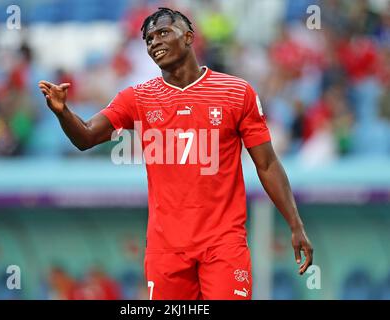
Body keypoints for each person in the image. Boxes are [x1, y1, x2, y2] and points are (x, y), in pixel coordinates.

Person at [38, 7, 313, 300]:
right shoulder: (137, 98)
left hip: (223, 245)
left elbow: (267, 164)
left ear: (189, 37)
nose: (154, 42)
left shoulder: (236, 93)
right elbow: (86, 136)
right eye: (148, 39)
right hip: (166, 251)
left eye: (163, 33)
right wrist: (63, 112)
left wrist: (296, 225)